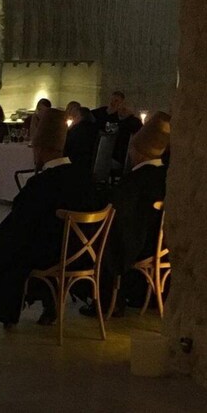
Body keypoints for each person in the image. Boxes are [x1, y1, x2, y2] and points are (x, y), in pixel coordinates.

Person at [0, 108, 98, 327]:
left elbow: (19, 220)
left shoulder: (41, 184)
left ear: (41, 150)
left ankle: (8, 310)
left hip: (52, 255)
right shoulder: (85, 178)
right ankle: (49, 300)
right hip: (83, 253)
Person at [79, 111, 170, 317]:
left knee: (96, 238)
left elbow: (116, 214)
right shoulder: (167, 177)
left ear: (138, 151)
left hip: (136, 245)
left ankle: (104, 300)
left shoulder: (135, 181)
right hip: (161, 246)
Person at [64, 104, 99, 170]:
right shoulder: (95, 129)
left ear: (80, 116)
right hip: (90, 163)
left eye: (75, 116)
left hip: (76, 163)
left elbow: (68, 146)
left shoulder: (77, 129)